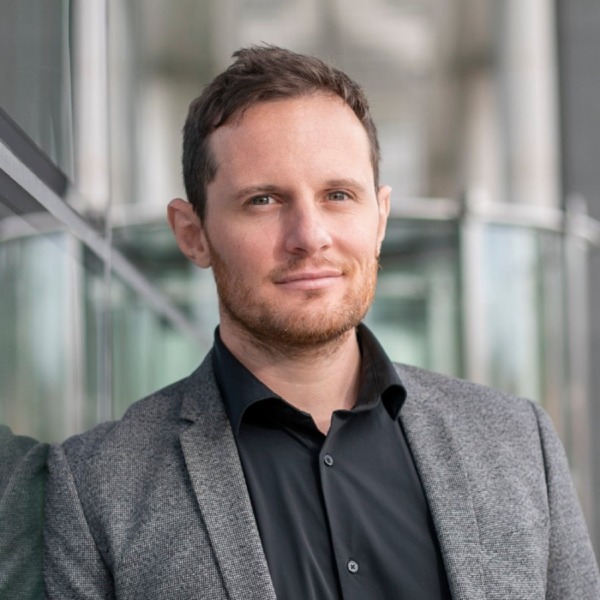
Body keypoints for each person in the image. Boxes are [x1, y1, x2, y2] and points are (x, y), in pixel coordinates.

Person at [44, 45, 600, 599]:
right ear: (192, 233)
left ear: (379, 217)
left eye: (338, 195)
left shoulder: (517, 441)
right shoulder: (99, 486)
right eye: (263, 200)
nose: (309, 235)